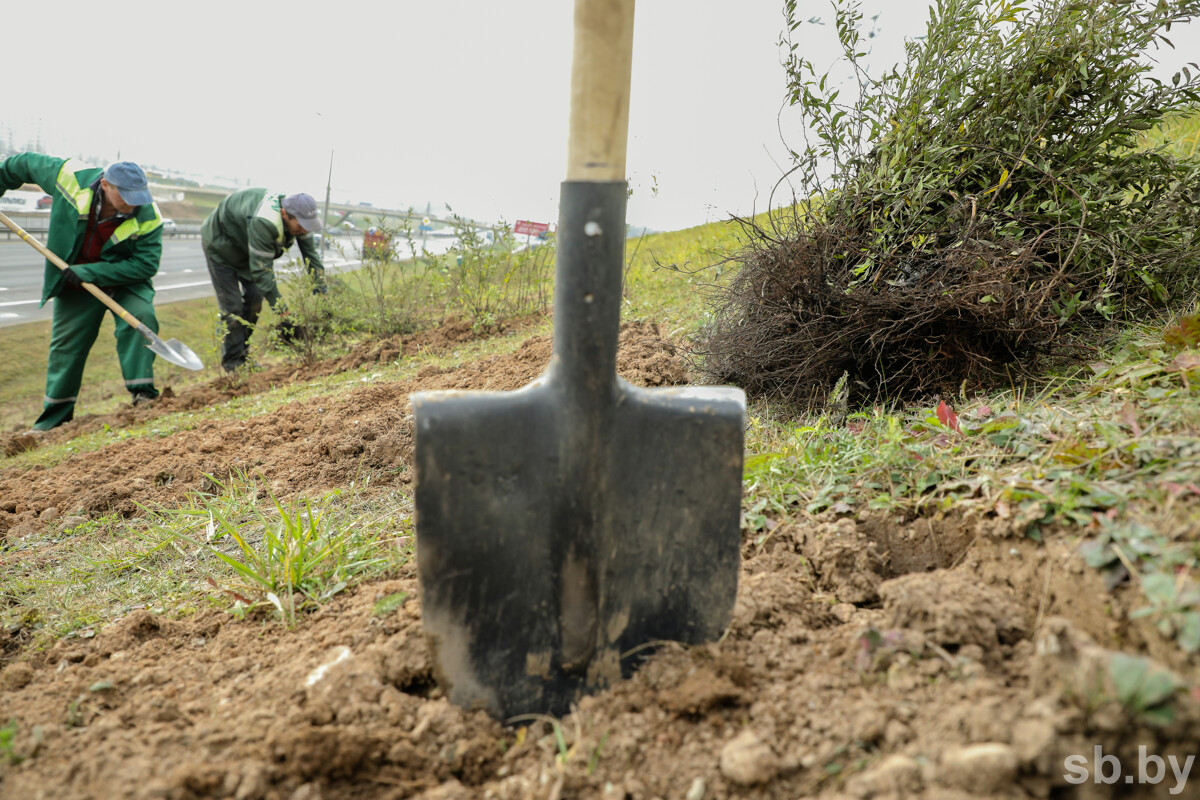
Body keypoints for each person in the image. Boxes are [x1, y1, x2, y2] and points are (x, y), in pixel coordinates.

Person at [0, 153, 165, 431]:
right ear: (105, 185)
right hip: (74, 280)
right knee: (67, 347)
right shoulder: (70, 177)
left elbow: (145, 264)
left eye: (137, 194)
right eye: (125, 195)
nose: (133, 202)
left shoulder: (148, 214)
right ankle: (54, 420)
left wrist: (91, 273)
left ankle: (143, 395)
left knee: (141, 318)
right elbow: (22, 164)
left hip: (123, 281)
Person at [200, 189, 326, 371]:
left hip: (246, 244)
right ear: (284, 214)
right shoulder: (265, 221)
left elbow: (312, 256)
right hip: (221, 247)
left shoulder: (301, 220)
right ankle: (234, 364)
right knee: (233, 308)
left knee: (255, 298)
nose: (305, 230)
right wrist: (284, 313)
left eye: (308, 225)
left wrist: (322, 294)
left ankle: (242, 352)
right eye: (300, 225)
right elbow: (262, 274)